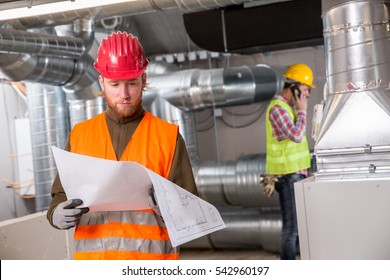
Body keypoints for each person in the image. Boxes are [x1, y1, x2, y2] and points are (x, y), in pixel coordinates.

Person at [47, 31, 198, 260]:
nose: (124, 94)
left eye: (132, 83)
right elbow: (59, 196)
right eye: (115, 84)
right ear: (102, 82)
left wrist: (169, 205)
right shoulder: (80, 136)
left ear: (144, 80)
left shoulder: (168, 137)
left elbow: (191, 212)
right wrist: (56, 214)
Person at [265, 63, 315, 260]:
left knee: (297, 228)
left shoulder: (287, 108)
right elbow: (295, 135)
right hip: (288, 177)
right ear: (293, 87)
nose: (307, 97)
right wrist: (303, 111)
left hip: (296, 174)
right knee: (291, 230)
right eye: (304, 91)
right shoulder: (278, 109)